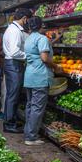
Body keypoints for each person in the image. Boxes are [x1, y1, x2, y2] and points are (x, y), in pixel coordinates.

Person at [23, 16, 59, 146]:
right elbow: (44, 58)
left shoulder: (29, 38)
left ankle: (28, 133)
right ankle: (31, 137)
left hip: (30, 76)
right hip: (40, 77)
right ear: (41, 26)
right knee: (37, 108)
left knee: (30, 106)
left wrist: (55, 40)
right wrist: (56, 66)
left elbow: (40, 49)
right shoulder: (42, 38)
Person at [2, 8, 32, 133]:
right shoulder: (14, 31)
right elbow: (14, 52)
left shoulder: (13, 29)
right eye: (28, 20)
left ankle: (11, 121)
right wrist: (27, 56)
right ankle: (9, 124)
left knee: (12, 94)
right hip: (13, 64)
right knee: (13, 95)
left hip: (12, 64)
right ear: (24, 18)